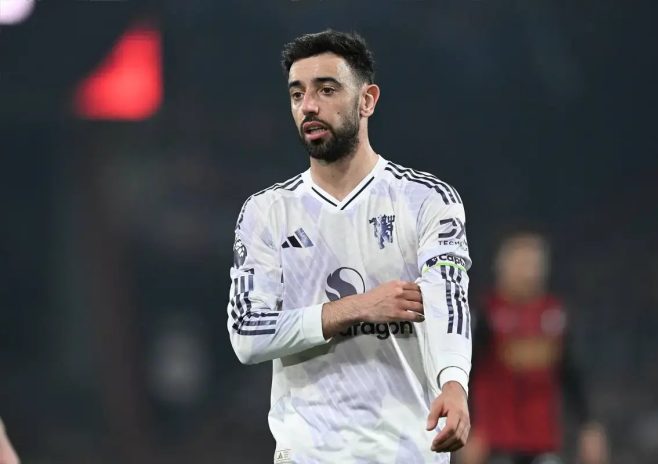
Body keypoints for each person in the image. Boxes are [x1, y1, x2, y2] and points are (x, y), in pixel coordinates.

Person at [226, 30, 473, 463]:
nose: (309, 106)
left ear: (367, 100)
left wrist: (454, 383)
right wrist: (357, 307)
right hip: (309, 454)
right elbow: (247, 332)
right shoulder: (266, 212)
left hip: (407, 450)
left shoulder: (426, 200)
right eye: (297, 94)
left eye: (326, 90)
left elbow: (448, 299)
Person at [456, 232, 609, 464]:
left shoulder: (554, 315)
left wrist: (588, 425)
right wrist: (468, 426)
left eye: (535, 265)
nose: (530, 273)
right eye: (522, 264)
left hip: (542, 441)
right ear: (503, 268)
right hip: (494, 442)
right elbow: (465, 373)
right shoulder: (486, 314)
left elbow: (570, 374)